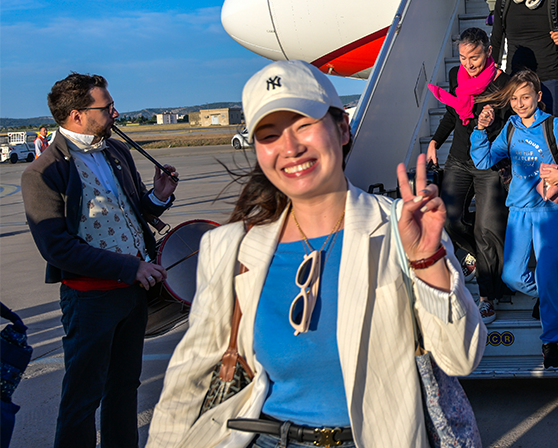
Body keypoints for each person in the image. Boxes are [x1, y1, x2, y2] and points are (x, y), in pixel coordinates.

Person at [147, 60, 484, 448]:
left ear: (342, 128)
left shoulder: (399, 229)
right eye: (269, 135)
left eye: (304, 125)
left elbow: (461, 359)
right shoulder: (229, 247)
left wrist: (426, 260)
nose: (289, 148)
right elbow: (187, 383)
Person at [22, 73, 178, 448]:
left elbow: (131, 208)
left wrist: (156, 197)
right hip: (90, 300)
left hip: (134, 291)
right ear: (77, 115)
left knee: (124, 388)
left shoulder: (116, 152)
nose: (115, 112)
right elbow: (57, 247)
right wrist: (129, 266)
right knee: (82, 396)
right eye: (106, 107)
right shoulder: (43, 173)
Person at [470, 69, 558, 371]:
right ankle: (548, 294)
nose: (520, 103)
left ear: (537, 97)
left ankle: (551, 342)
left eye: (525, 97)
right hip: (519, 213)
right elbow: (484, 161)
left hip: (549, 212)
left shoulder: (554, 126)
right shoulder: (509, 128)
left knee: (548, 274)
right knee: (511, 274)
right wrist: (479, 130)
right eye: (514, 98)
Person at [427, 28, 513, 324]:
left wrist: (488, 124)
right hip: (459, 159)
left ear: (489, 52)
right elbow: (453, 112)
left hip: (489, 163)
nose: (468, 64)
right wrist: (435, 141)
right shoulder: (456, 76)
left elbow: (508, 126)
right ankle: (476, 256)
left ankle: (488, 298)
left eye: (474, 57)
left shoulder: (502, 82)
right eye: (463, 58)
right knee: (450, 218)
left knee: (487, 230)